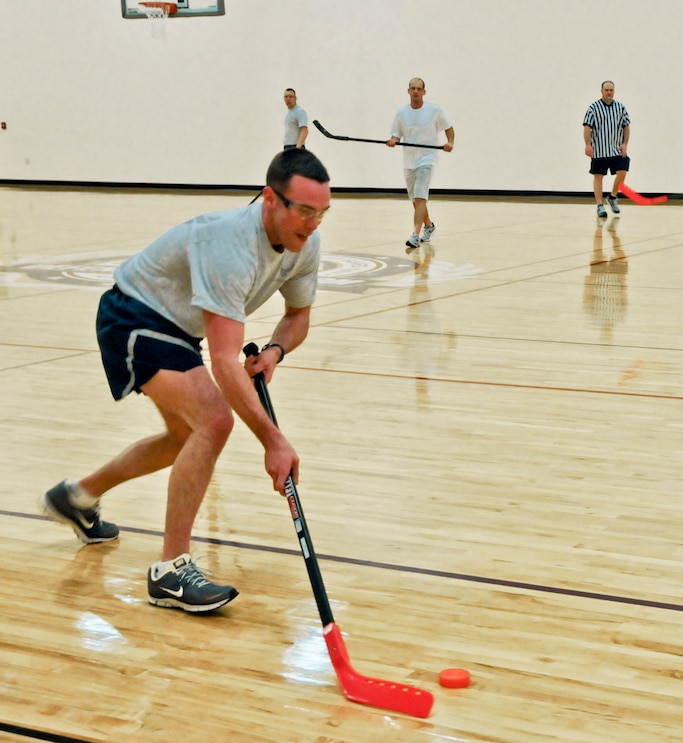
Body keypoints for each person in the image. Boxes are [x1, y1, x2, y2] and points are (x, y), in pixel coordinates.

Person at [40, 148, 331, 612]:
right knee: (214, 422)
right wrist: (273, 440)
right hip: (133, 315)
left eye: (322, 212)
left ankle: (76, 496)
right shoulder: (230, 245)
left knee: (183, 436)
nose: (313, 223)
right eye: (304, 210)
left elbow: (297, 316)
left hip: (177, 329)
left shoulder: (305, 245)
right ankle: (170, 571)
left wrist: (275, 350)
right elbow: (223, 360)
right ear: (270, 199)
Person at [387, 77, 454, 250]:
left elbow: (448, 127)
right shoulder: (401, 113)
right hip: (409, 161)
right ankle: (429, 226)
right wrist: (393, 140)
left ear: (424, 92)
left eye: (419, 88)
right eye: (413, 88)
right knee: (416, 201)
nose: (416, 91)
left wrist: (450, 142)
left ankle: (415, 236)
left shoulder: (434, 110)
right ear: (408, 91)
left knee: (419, 197)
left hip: (427, 159)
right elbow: (396, 134)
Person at [583, 81, 631, 219]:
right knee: (598, 176)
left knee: (623, 171)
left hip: (616, 149)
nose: (609, 92)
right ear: (601, 91)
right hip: (599, 149)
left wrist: (625, 144)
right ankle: (599, 205)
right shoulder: (593, 107)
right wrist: (588, 144)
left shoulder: (620, 107)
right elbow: (587, 127)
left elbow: (626, 126)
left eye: (611, 90)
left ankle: (613, 196)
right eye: (606, 90)